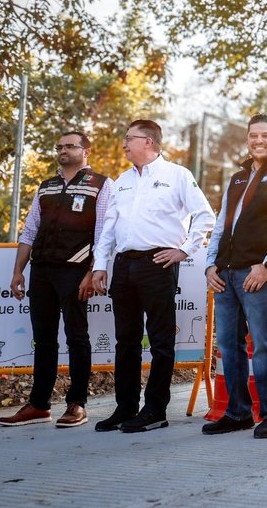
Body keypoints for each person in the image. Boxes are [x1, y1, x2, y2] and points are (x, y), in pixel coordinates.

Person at [91, 119, 215, 433]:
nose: (123, 144)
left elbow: (205, 215)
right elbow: (108, 227)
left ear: (148, 141)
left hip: (158, 264)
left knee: (160, 341)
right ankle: (126, 408)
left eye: (129, 139)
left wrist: (184, 250)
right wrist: (100, 265)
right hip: (124, 264)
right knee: (126, 341)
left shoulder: (177, 175)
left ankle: (155, 410)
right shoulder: (121, 181)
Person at [0, 131, 113, 428]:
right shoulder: (46, 186)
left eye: (70, 146)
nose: (62, 150)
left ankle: (77, 404)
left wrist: (92, 271)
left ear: (85, 150)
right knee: (44, 340)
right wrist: (18, 271)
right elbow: (29, 230)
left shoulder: (101, 184)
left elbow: (103, 233)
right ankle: (39, 405)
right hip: (42, 270)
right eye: (59, 146)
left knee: (77, 337)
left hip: (76, 271)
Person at [202, 114, 267, 439]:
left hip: (259, 273)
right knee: (229, 347)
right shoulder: (237, 178)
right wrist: (209, 265)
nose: (258, 141)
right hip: (226, 274)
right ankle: (238, 413)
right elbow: (221, 226)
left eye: (265, 136)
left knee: (264, 344)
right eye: (253, 136)